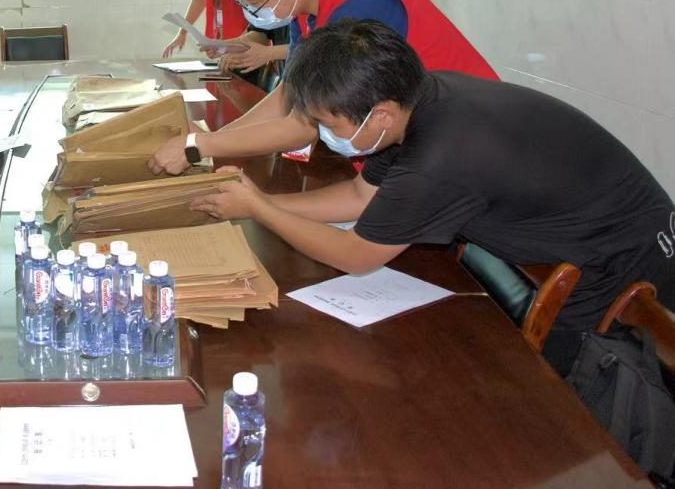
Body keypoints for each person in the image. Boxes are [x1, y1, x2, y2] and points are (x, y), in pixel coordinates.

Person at [192, 19, 675, 373]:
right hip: (594, 234)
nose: (321, 133)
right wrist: (255, 201)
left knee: (578, 398)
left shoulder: (442, 154)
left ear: (379, 114)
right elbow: (360, 196)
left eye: (327, 123)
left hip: (625, 256)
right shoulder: (414, 103)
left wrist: (259, 209)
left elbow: (358, 254)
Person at [149, 0, 496, 175]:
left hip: (468, 141)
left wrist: (202, 145)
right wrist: (216, 141)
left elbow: (303, 125)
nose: (249, 12)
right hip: (415, 142)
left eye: (252, 2)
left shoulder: (360, 8)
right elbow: (290, 94)